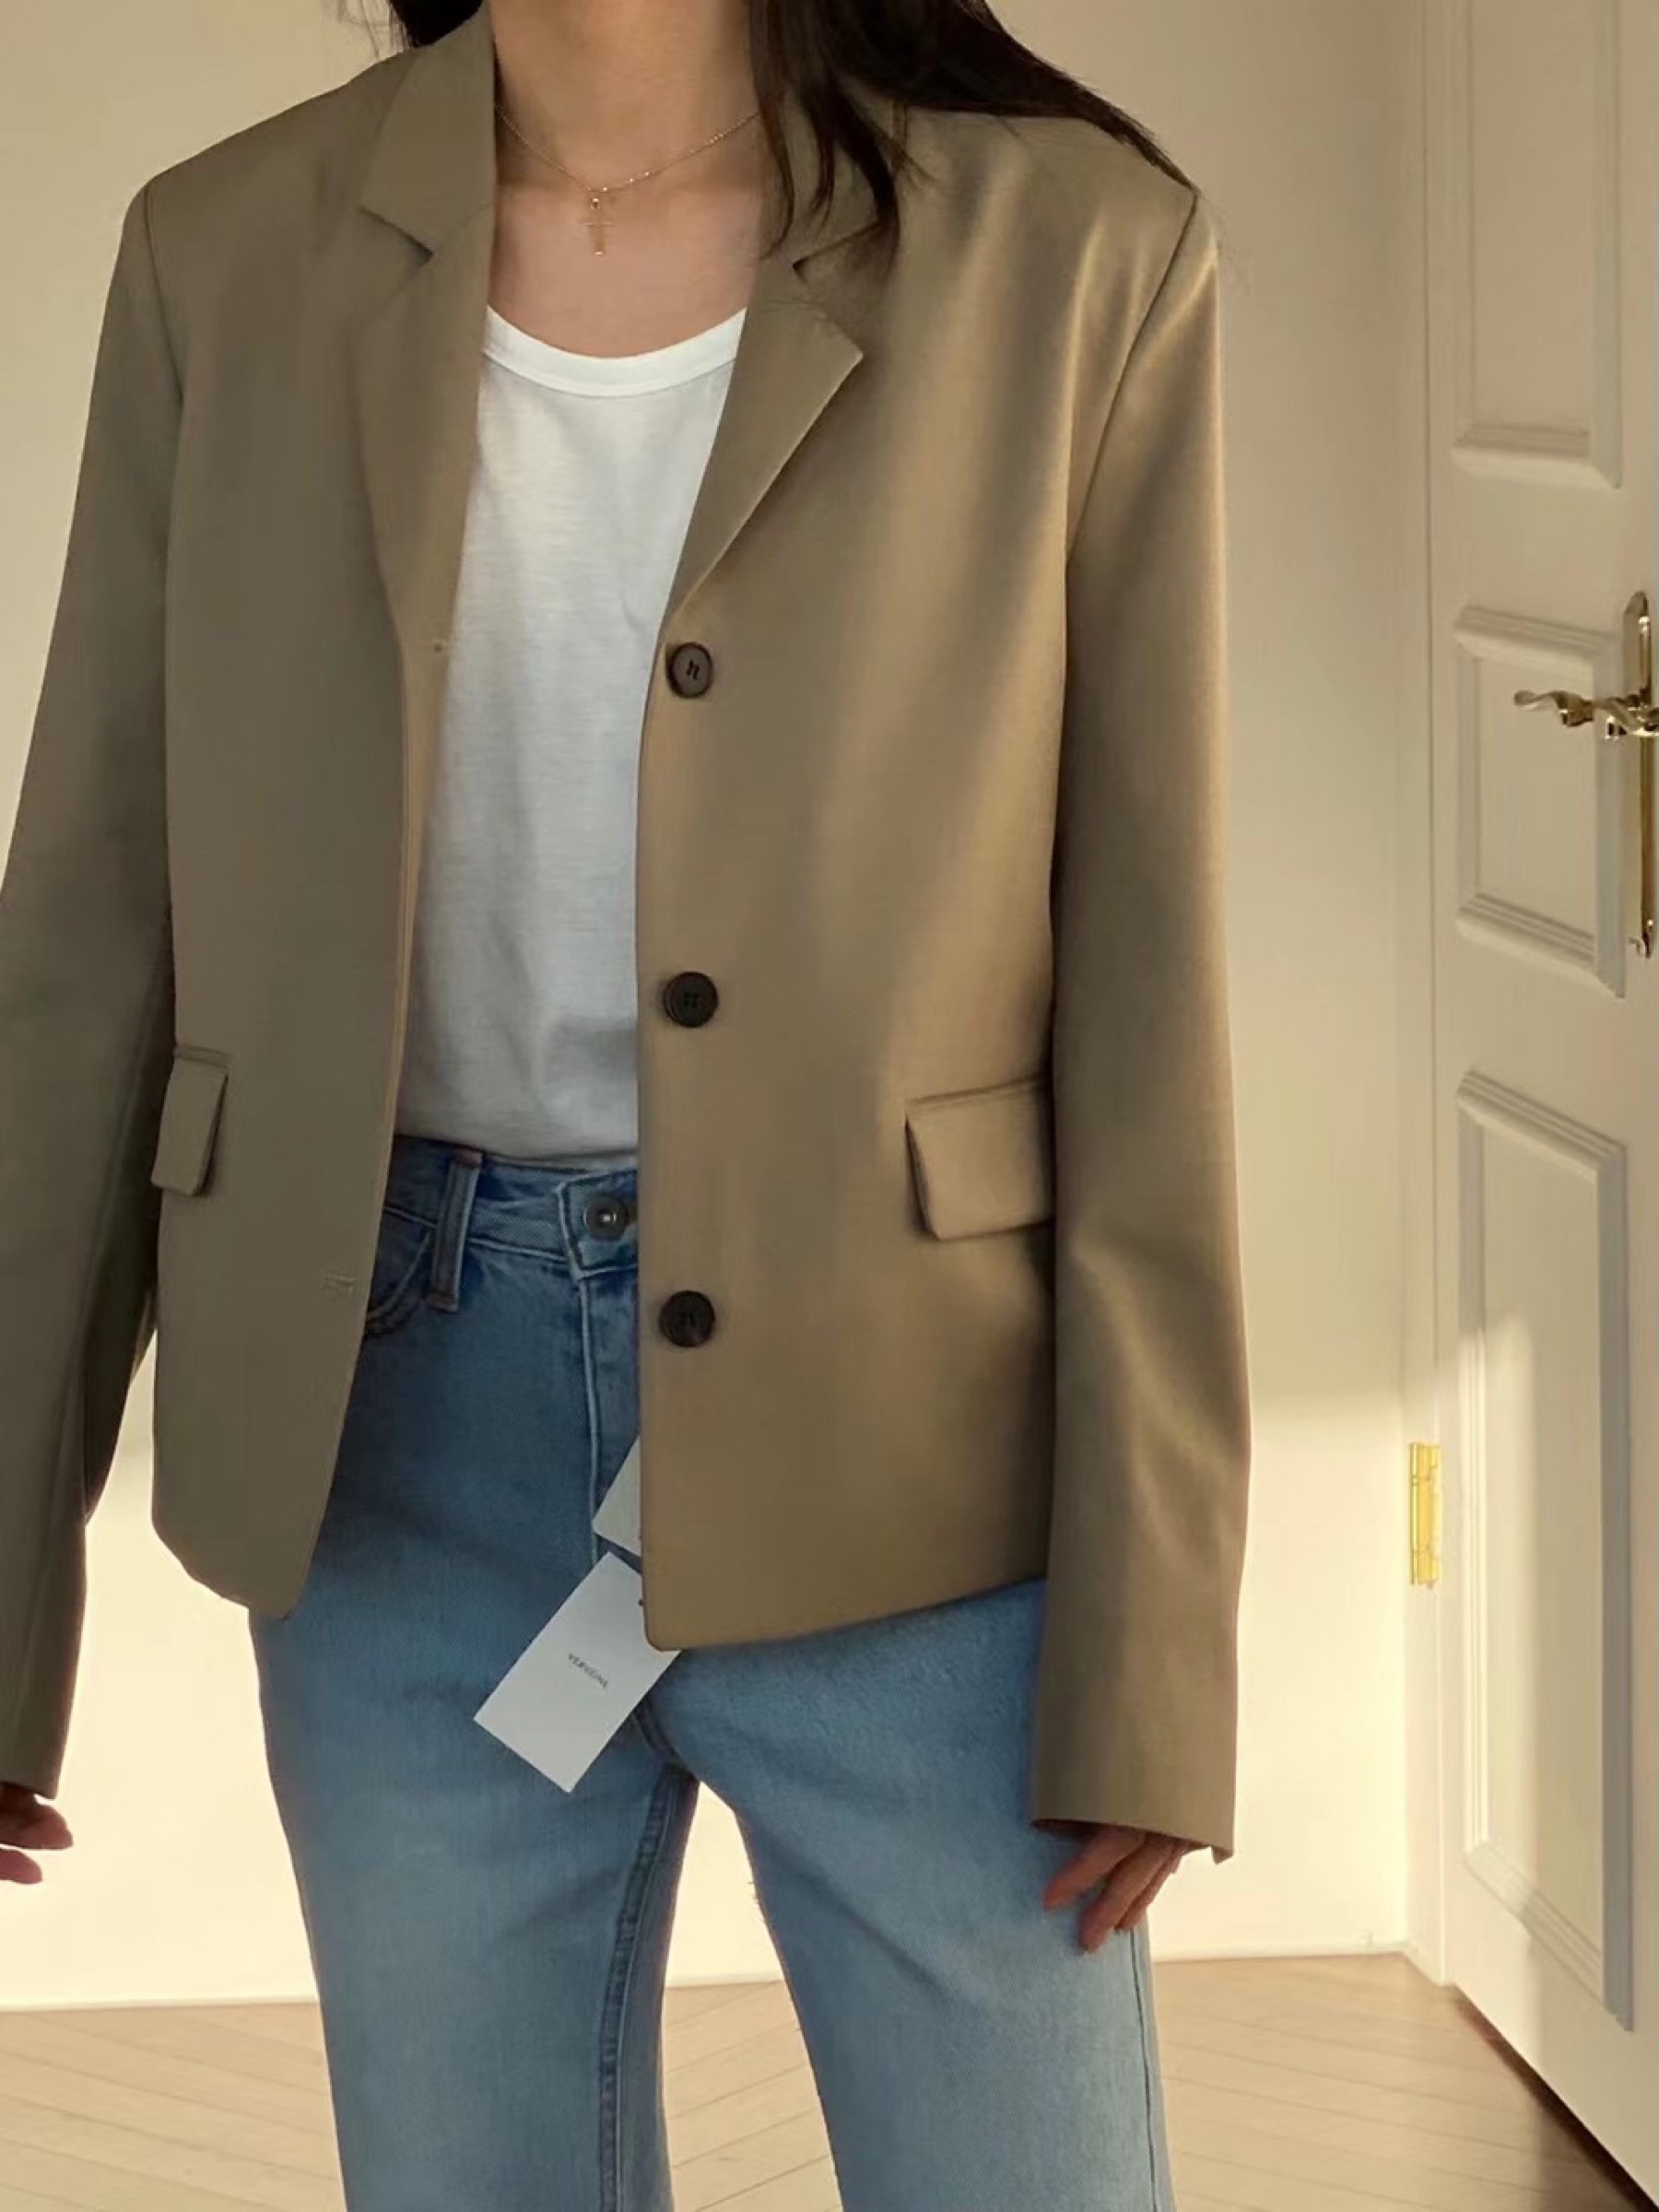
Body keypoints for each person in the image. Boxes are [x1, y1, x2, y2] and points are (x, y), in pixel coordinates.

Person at [0, 0, 1252, 2205]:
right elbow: (90, 946)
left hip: (920, 1460)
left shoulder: (1077, 254)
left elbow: (1150, 976)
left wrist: (1153, 1642)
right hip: (390, 1452)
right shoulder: (226, 252)